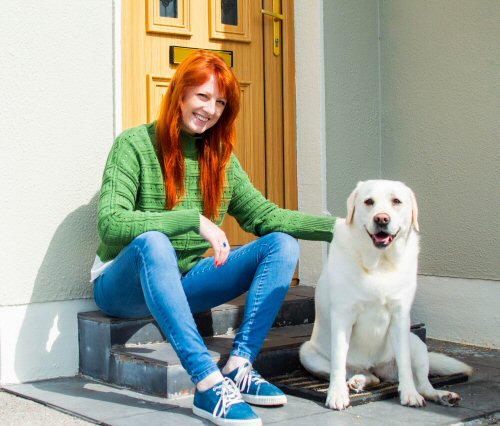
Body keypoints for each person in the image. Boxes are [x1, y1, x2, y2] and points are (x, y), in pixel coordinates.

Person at [91, 51, 336, 426]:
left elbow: (266, 216)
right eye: (202, 96)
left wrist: (341, 228)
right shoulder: (134, 145)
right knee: (155, 242)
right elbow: (111, 224)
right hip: (122, 285)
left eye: (220, 102)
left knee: (282, 243)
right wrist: (193, 220)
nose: (210, 109)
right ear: (180, 93)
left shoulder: (219, 157)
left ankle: (239, 366)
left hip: (183, 282)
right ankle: (208, 383)